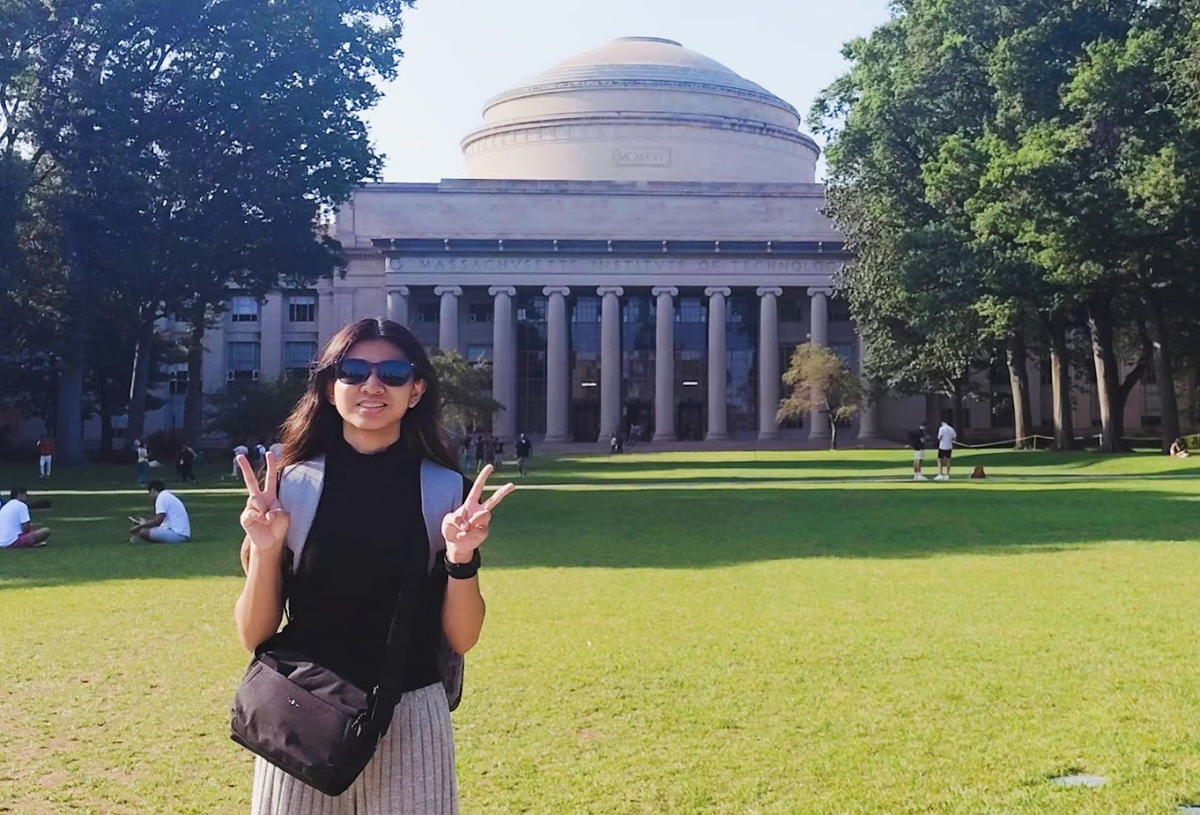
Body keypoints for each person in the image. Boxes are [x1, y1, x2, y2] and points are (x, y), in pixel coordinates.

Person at [234, 317, 516, 812]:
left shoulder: (444, 491)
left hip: (410, 715)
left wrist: (461, 558)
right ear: (330, 387)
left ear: (416, 390)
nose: (372, 385)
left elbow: (463, 638)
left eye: (393, 373)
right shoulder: (291, 488)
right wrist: (265, 547)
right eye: (353, 370)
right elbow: (255, 635)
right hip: (302, 711)